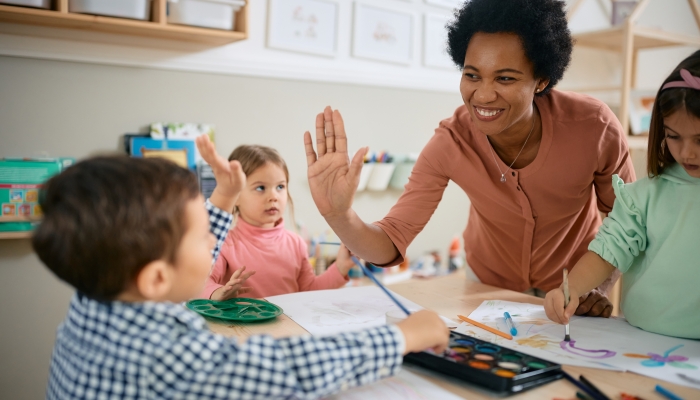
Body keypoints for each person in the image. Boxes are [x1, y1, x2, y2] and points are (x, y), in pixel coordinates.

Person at [36, 135, 450, 399]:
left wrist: (220, 200)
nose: (214, 238)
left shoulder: (95, 302)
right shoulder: (164, 357)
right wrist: (398, 337)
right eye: (203, 236)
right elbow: (289, 369)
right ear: (157, 278)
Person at [303, 0, 635, 317]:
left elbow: (627, 222)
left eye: (505, 78)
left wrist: (597, 287)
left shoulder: (593, 127)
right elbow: (390, 243)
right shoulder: (452, 141)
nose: (484, 94)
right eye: (472, 75)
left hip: (572, 290)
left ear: (541, 80)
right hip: (487, 289)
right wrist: (339, 214)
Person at [543, 51, 700, 339]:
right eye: (674, 136)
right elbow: (607, 252)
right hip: (638, 340)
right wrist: (570, 290)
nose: (687, 152)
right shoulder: (644, 196)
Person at [201, 144, 355, 300]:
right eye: (261, 188)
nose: (273, 196)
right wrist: (218, 292)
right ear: (236, 195)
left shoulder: (296, 243)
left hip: (290, 324)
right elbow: (202, 283)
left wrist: (340, 267)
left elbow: (309, 291)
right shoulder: (224, 243)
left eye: (280, 186)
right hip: (243, 325)